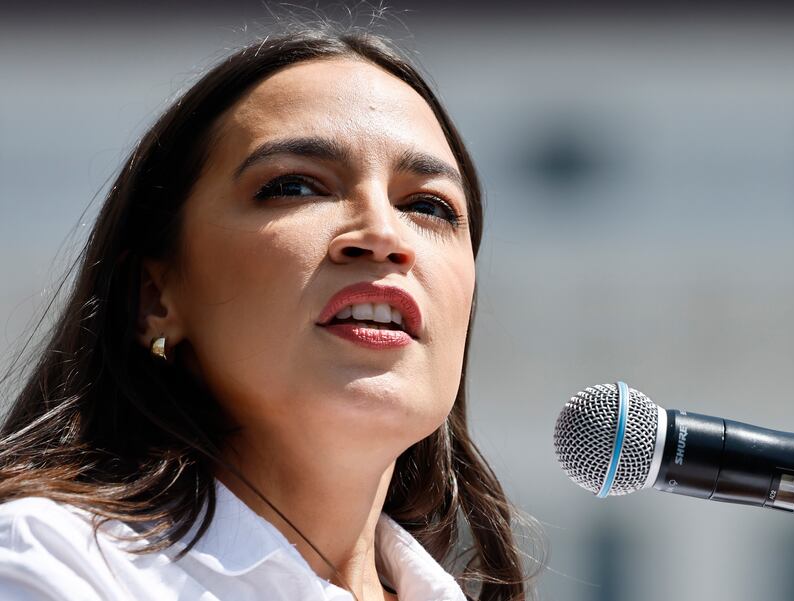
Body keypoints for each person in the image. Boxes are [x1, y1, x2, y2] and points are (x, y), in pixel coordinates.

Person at [0, 21, 537, 601]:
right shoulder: (52, 561)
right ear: (154, 298)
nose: (383, 234)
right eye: (295, 187)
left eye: (428, 205)